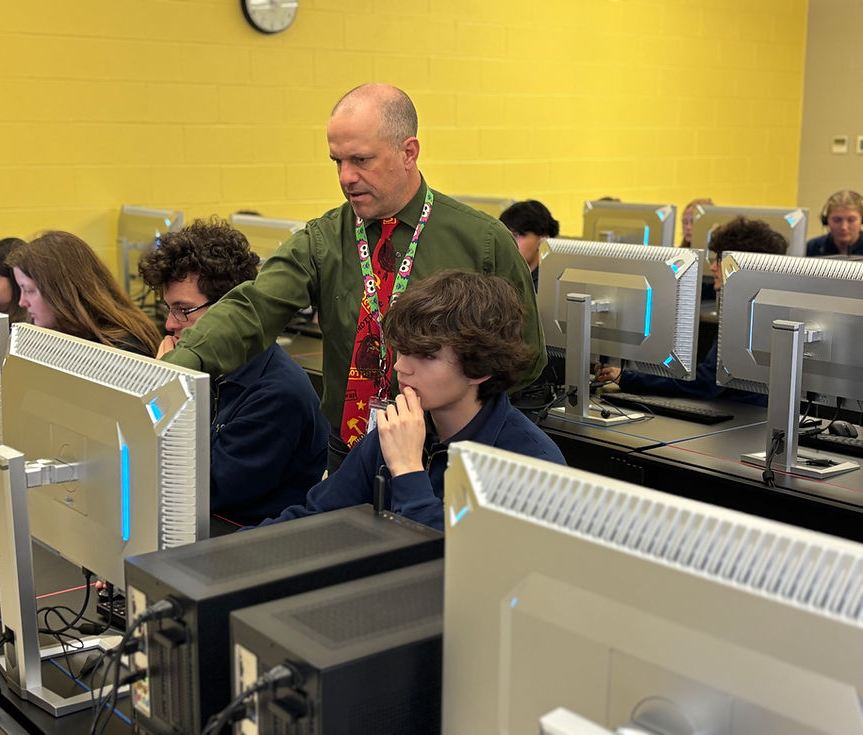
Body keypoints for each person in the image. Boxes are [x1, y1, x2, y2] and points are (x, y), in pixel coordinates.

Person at [159, 83, 545, 472]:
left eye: (361, 160)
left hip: (444, 453)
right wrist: (179, 365)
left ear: (408, 152)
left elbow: (523, 358)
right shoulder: (325, 238)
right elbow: (255, 307)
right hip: (350, 452)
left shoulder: (481, 241)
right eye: (337, 161)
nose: (346, 177)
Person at [253, 271, 566, 532]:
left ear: (480, 368)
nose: (402, 367)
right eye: (401, 350)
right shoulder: (401, 428)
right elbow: (313, 519)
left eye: (427, 355)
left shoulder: (532, 464)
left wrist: (406, 470)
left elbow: (455, 574)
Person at [137, 218, 329, 525]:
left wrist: (168, 387)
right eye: (168, 309)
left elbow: (196, 489)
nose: (170, 324)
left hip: (245, 547)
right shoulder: (212, 371)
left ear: (231, 310)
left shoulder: (275, 394)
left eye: (183, 310)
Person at [596, 217, 787, 405]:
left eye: (719, 260)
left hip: (741, 417)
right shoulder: (758, 310)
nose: (712, 267)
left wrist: (629, 379)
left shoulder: (742, 319)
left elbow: (707, 383)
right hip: (746, 412)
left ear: (741, 265)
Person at [5, 231, 161, 356]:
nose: (22, 302)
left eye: (29, 291)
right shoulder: (54, 335)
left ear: (62, 292)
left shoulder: (124, 350)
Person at [499, 200, 560, 293]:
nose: (509, 242)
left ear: (543, 239)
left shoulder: (550, 287)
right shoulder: (498, 276)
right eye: (506, 235)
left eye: (518, 235)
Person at [806, 190, 863, 257]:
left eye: (851, 220)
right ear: (826, 221)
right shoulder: (812, 248)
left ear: (861, 220)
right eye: (837, 220)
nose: (843, 227)